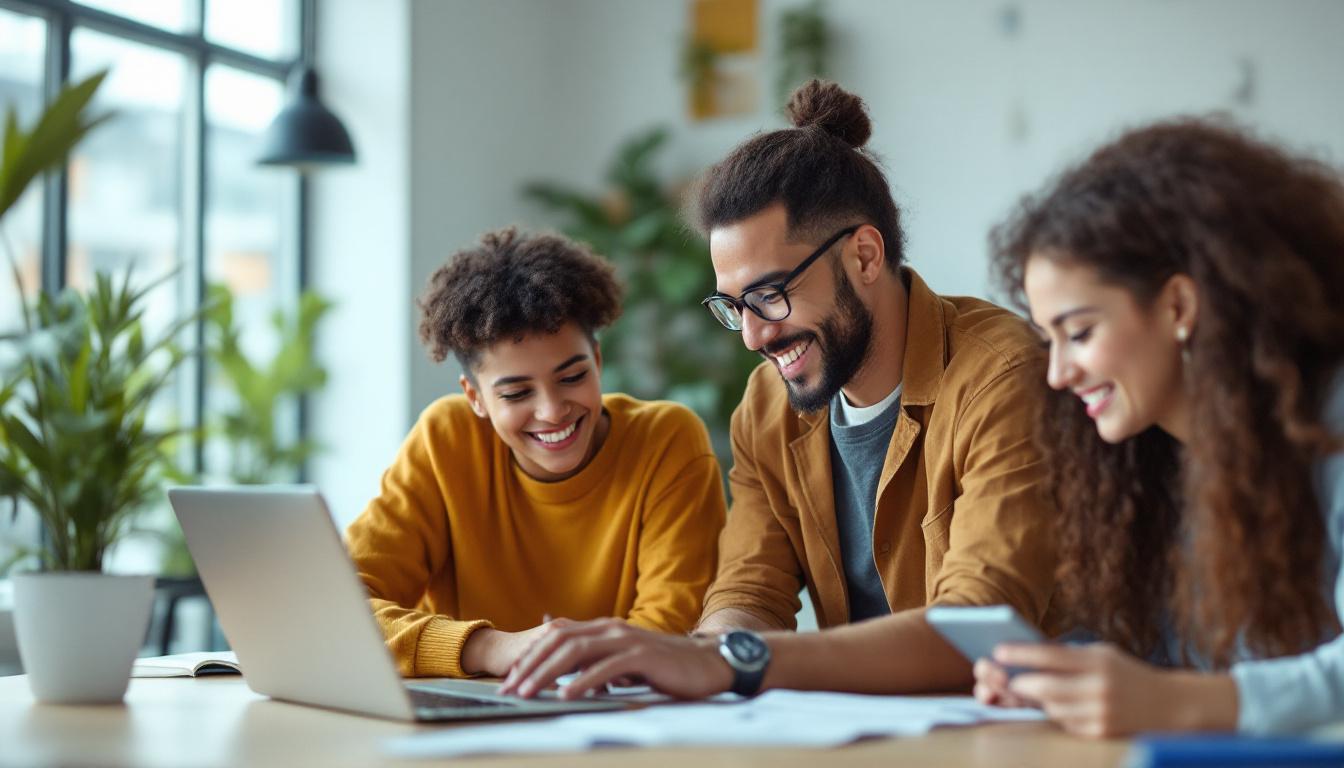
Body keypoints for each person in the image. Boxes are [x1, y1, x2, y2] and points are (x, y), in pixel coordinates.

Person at [499, 80, 1058, 701]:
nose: (753, 335)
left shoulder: (1003, 377)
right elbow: (749, 591)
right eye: (735, 306)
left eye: (770, 295)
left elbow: (975, 634)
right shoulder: (768, 406)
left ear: (865, 257)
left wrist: (735, 661)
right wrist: (694, 657)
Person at [971, 119, 1344, 737]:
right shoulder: (1162, 458)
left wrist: (1176, 703)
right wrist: (1056, 675)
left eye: (1080, 332)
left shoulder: (1331, 418)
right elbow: (1168, 651)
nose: (1058, 374)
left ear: (1178, 306)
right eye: (1048, 340)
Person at [344, 228, 726, 679]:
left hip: (615, 720)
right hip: (467, 722)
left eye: (572, 377)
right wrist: (490, 649)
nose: (551, 411)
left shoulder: (665, 441)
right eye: (516, 392)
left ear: (597, 362)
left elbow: (668, 634)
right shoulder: (445, 440)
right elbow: (340, 609)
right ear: (476, 397)